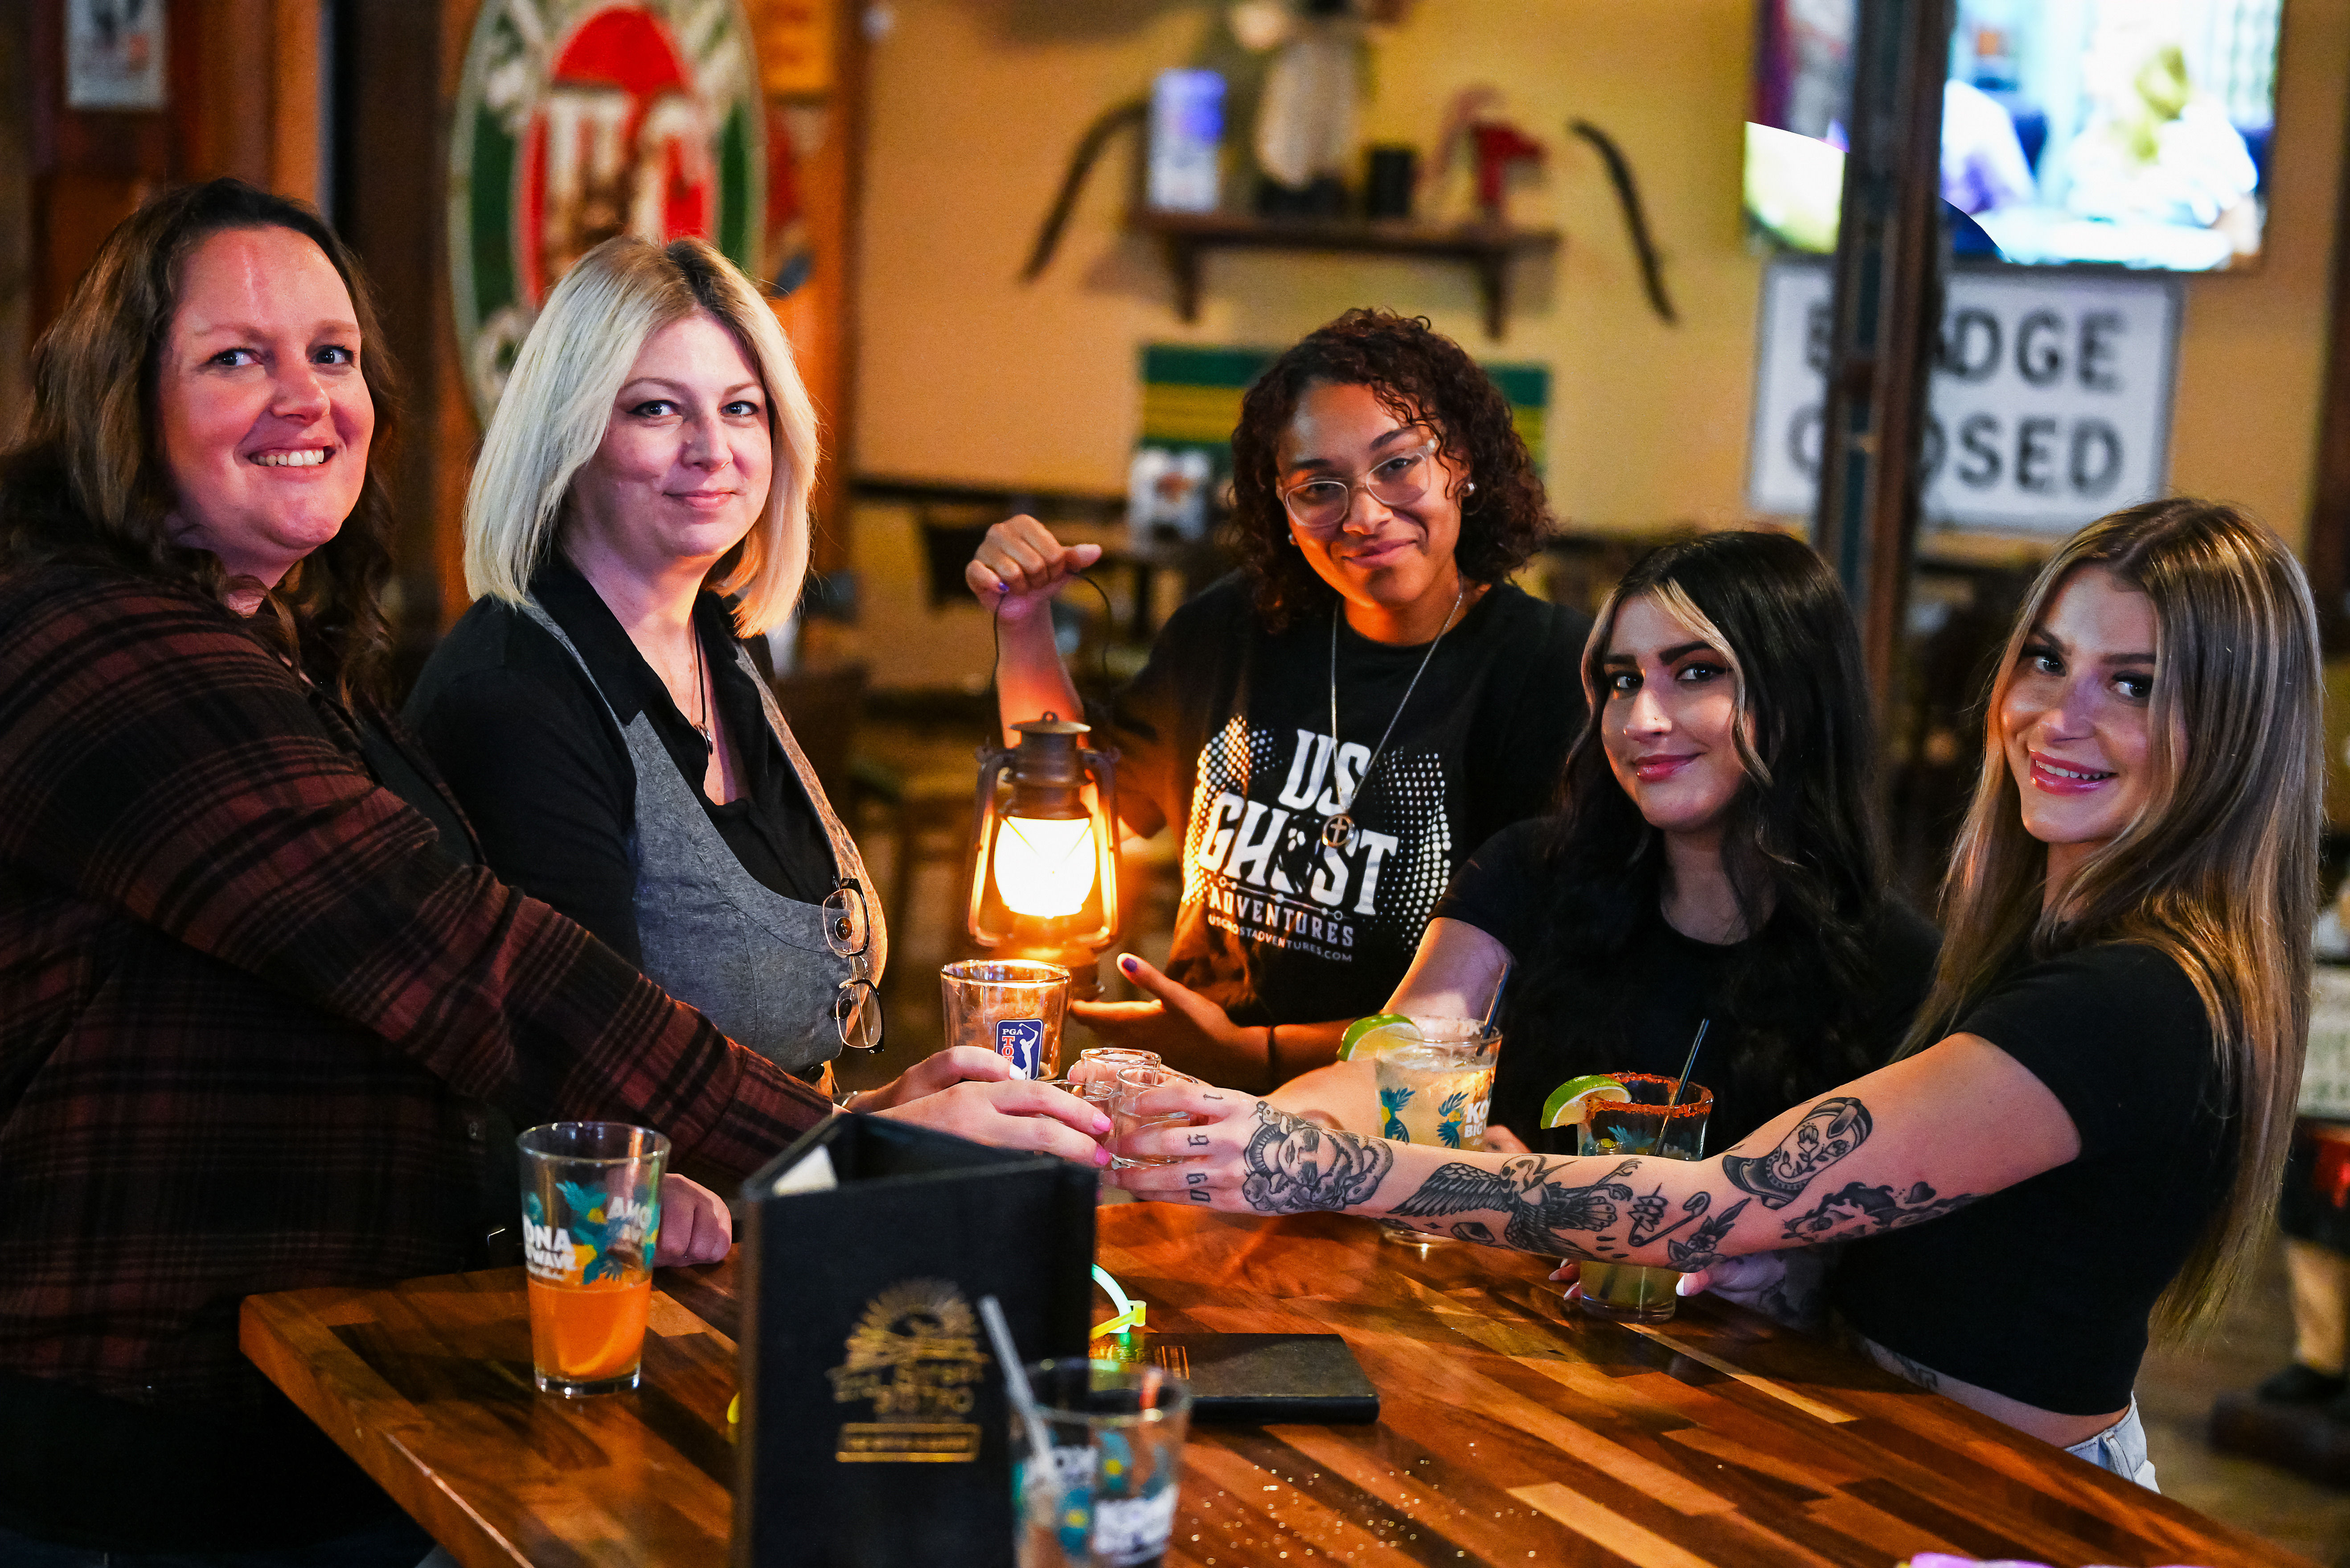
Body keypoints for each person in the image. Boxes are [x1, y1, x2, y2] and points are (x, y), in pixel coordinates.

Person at [0, 180, 1103, 1564]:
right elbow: (473, 965)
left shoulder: (274, 652)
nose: (306, 399)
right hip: (138, 1456)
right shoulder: (107, 658)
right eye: (237, 358)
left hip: (314, 1404)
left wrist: (851, 1128)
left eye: (332, 356)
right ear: (121, 400)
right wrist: (843, 1158)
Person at [1120, 498, 2315, 1491]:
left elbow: (1704, 1204)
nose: (2058, 714)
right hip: (1887, 1444)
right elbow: (1928, 1253)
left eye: (2135, 683)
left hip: (2012, 1496)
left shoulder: (2128, 998)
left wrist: (1316, 1161)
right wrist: (1787, 1267)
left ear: (2232, 723)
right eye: (2047, 660)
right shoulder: (2050, 954)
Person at [968, 309, 1591, 1089]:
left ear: (1460, 460)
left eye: (1397, 466)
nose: (1363, 516)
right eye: (1318, 488)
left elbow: (1521, 990)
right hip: (1190, 1103)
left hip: (1394, 1121)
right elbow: (1076, 797)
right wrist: (1023, 623)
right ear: (1282, 509)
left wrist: (1257, 1055)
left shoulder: (1549, 670)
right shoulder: (1233, 626)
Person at [410, 235, 910, 1095]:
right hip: (629, 1218)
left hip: (780, 1192)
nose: (712, 450)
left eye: (742, 408)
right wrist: (877, 1133)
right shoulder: (514, 696)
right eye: (655, 409)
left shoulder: (722, 641)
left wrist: (887, 1109)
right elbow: (596, 1075)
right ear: (566, 436)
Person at [1271, 530, 1939, 1166]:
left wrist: (1542, 1197)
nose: (1642, 720)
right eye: (1623, 681)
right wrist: (1275, 1126)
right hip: (1479, 1287)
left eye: (1697, 673)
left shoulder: (1898, 967)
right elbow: (1392, 1063)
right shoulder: (1529, 870)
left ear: (1798, 697)